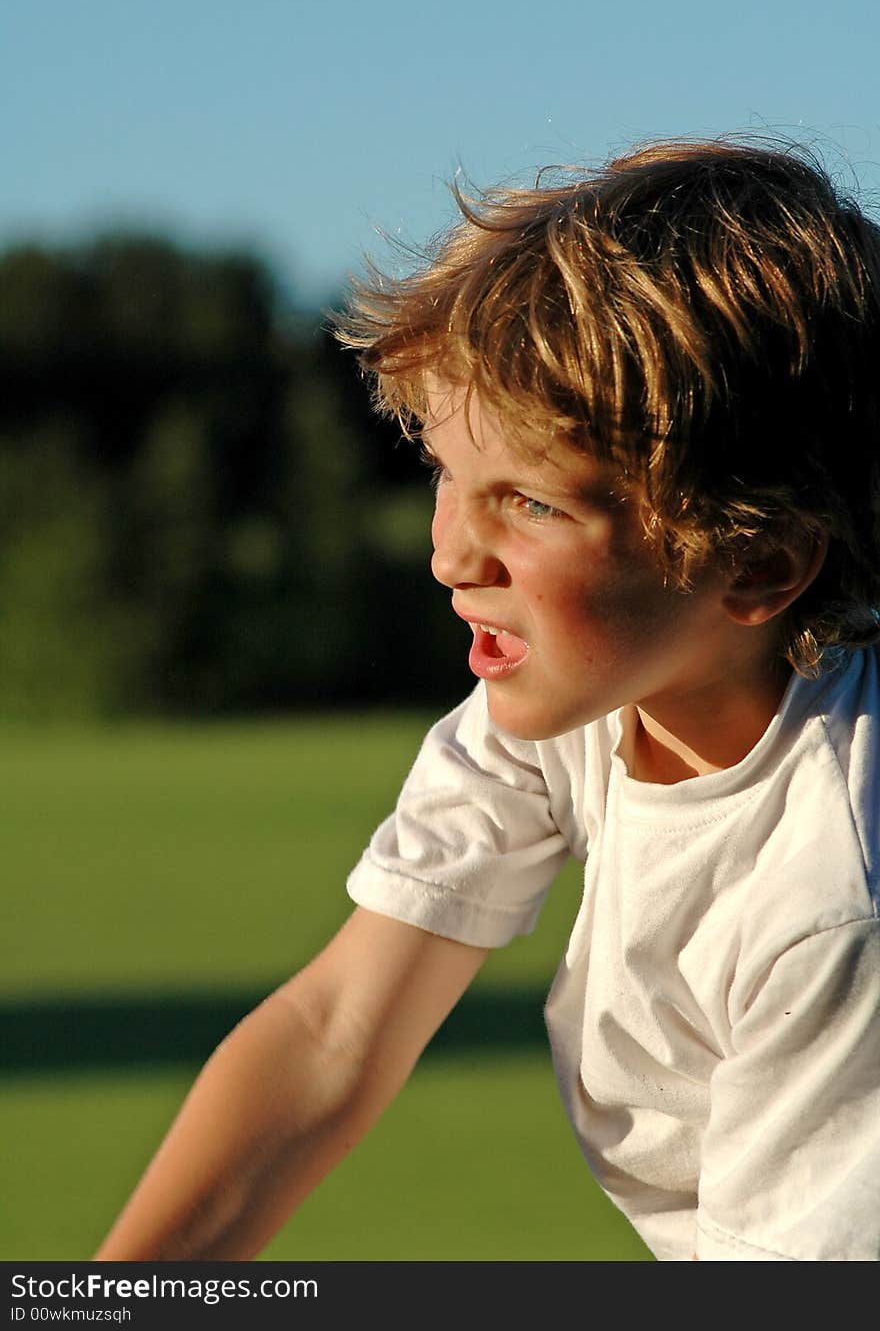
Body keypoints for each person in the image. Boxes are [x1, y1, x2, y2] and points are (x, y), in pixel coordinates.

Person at [95, 137, 880, 1263]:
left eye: (529, 503)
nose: (452, 556)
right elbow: (334, 1034)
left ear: (758, 565)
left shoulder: (833, 902)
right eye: (446, 474)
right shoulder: (586, 699)